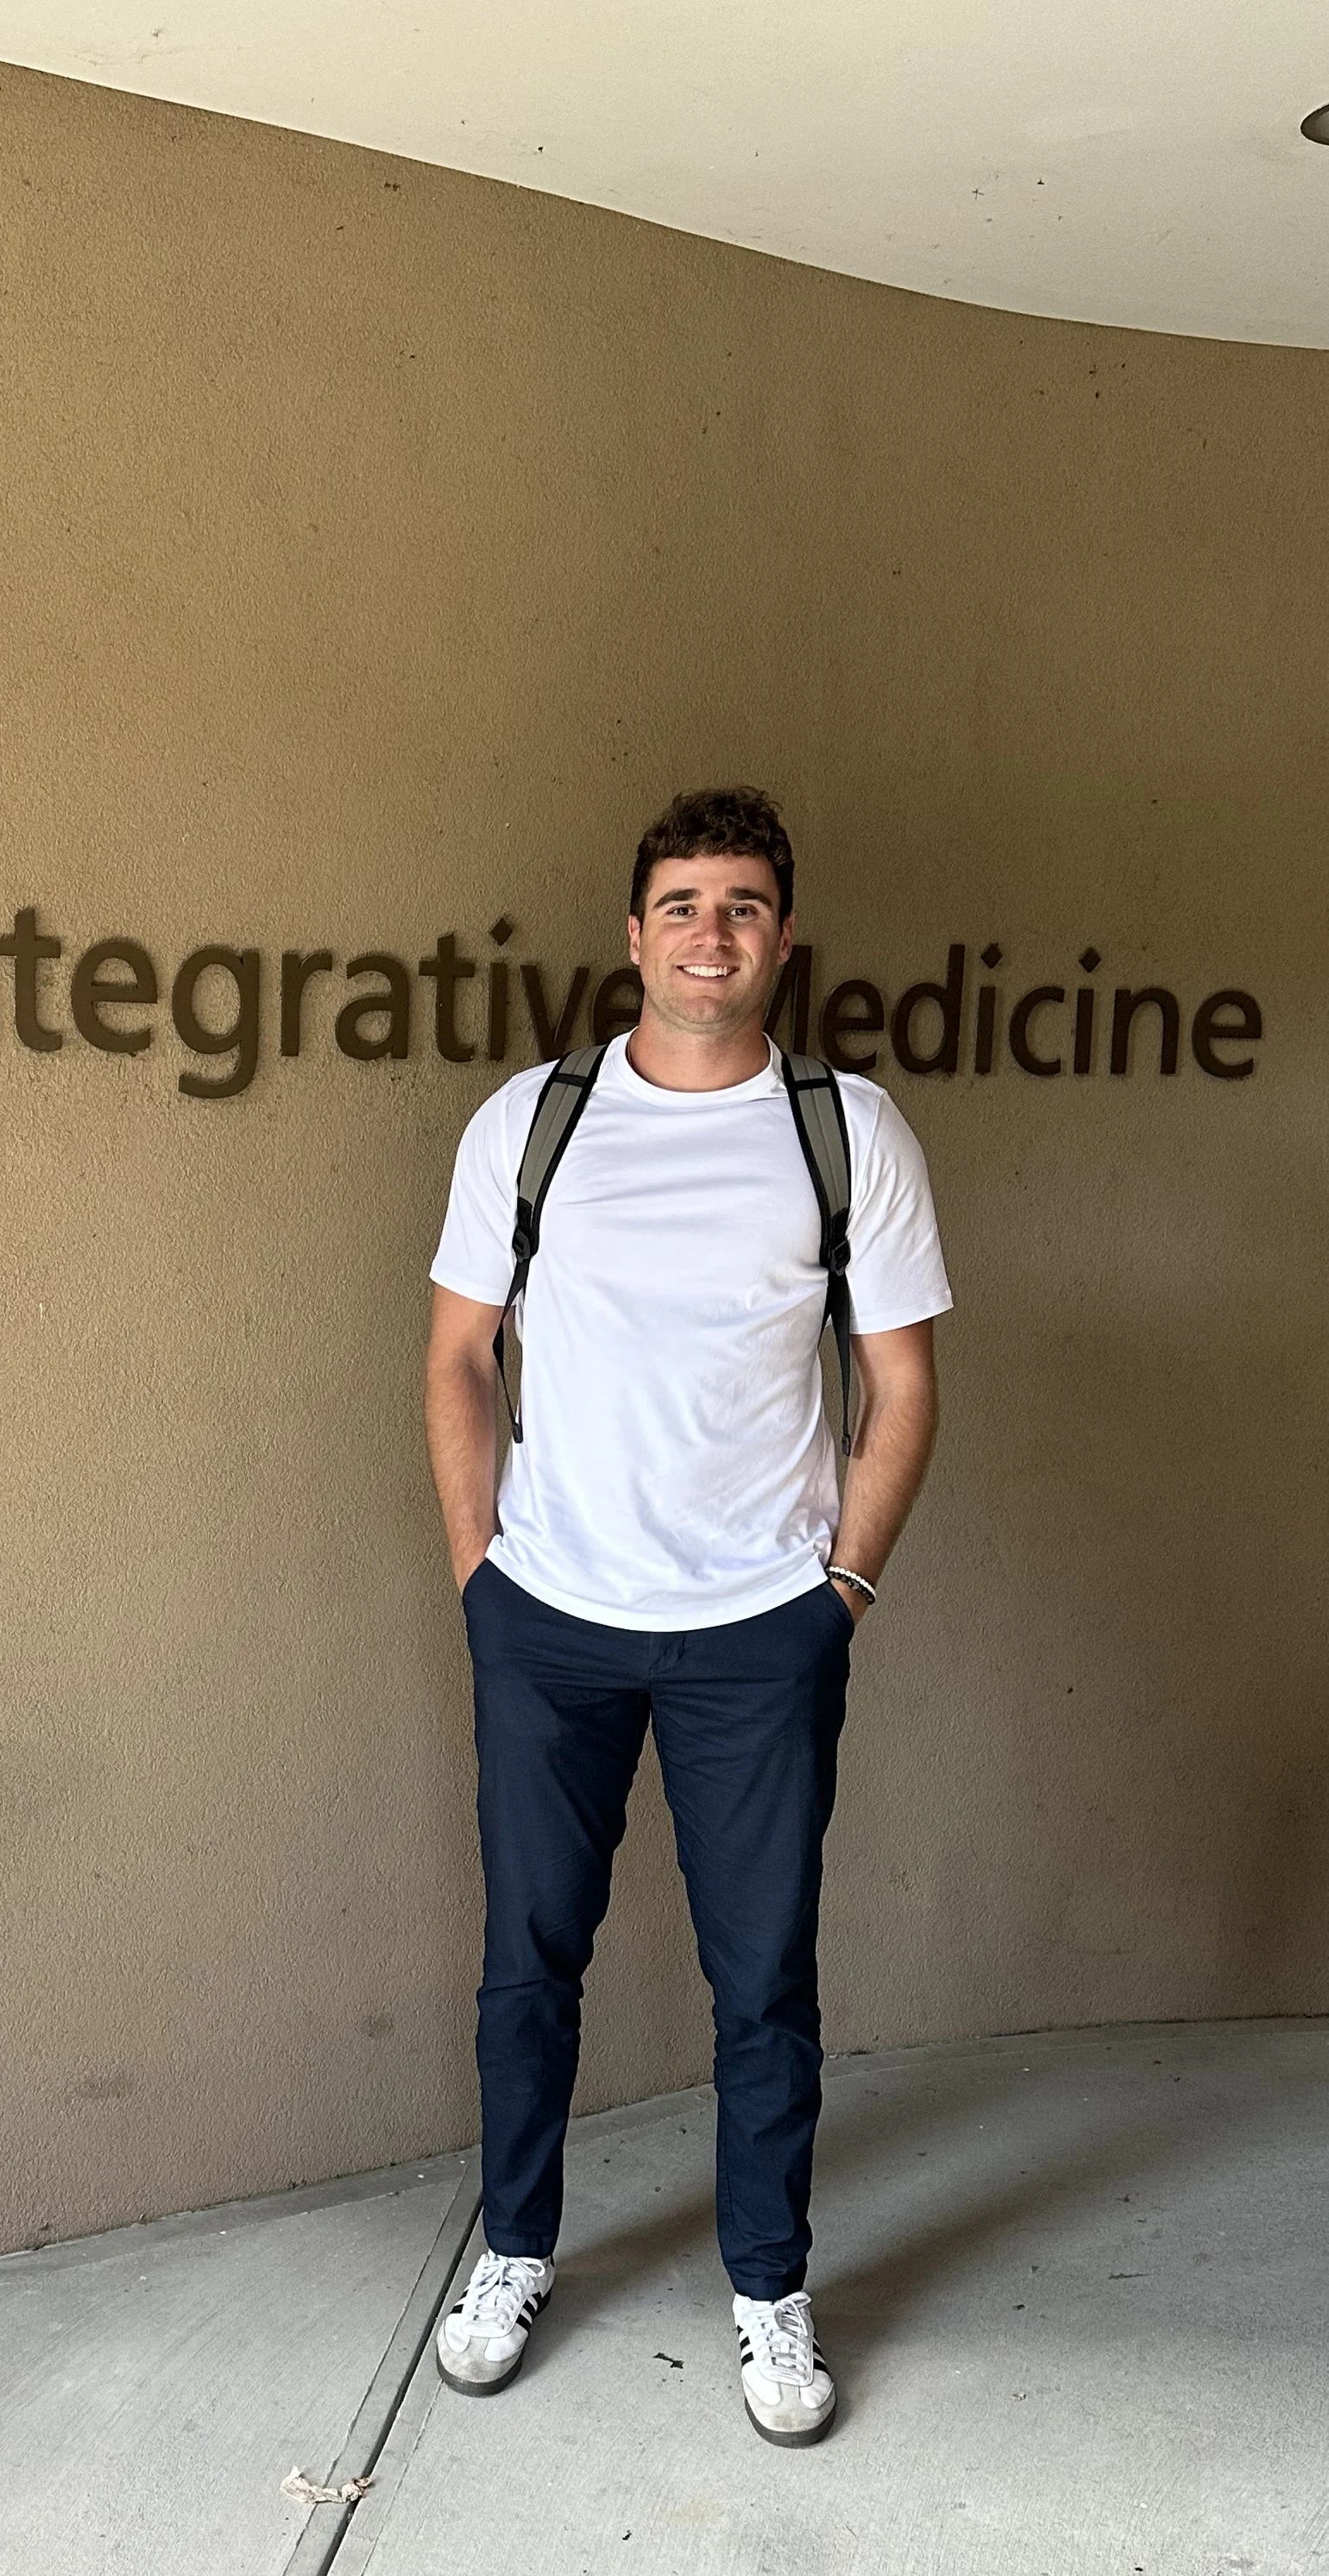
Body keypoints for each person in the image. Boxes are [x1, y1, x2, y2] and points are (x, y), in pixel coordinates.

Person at [423, 786, 949, 2444]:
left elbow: (904, 1382)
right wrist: (480, 1578)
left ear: (780, 939)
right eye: (679, 903)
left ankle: (769, 2293)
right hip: (553, 1616)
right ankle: (514, 2248)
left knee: (764, 1978)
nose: (707, 932)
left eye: (739, 905)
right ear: (632, 934)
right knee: (528, 1965)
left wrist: (839, 1590)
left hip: (758, 1632)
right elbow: (454, 1354)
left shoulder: (846, 1128)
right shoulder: (535, 1121)